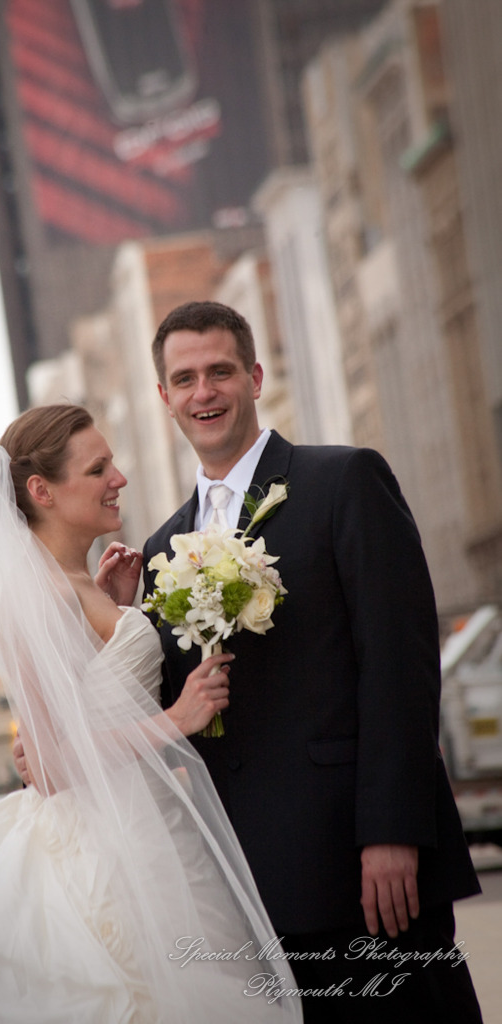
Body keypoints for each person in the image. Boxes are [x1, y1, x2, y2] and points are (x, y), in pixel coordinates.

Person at [0, 404, 301, 1024]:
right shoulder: (31, 596)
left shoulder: (77, 585)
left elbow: (86, 701)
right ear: (42, 491)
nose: (119, 478)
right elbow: (48, 766)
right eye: (98, 468)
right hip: (104, 857)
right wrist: (176, 719)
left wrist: (112, 617)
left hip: (151, 831)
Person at [138, 300, 483, 1023]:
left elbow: (400, 665)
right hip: (245, 892)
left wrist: (391, 831)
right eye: (185, 377)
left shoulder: (344, 481)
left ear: (255, 376)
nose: (204, 391)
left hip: (362, 865)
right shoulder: (159, 551)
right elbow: (178, 717)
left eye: (220, 371)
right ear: (162, 395)